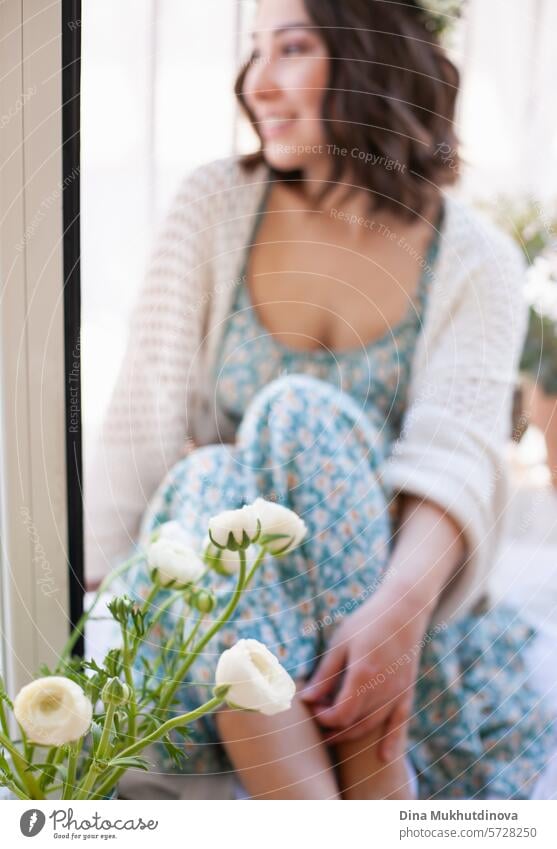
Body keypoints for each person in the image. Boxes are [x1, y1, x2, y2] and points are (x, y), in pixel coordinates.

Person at [86, 0, 556, 799]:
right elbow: (142, 424)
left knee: (293, 414)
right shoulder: (213, 206)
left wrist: (394, 620)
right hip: (227, 632)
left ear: (378, 60)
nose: (257, 82)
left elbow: (456, 457)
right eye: (255, 51)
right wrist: (94, 603)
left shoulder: (473, 255)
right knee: (209, 487)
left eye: (293, 48)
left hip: (395, 623)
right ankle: (355, 804)